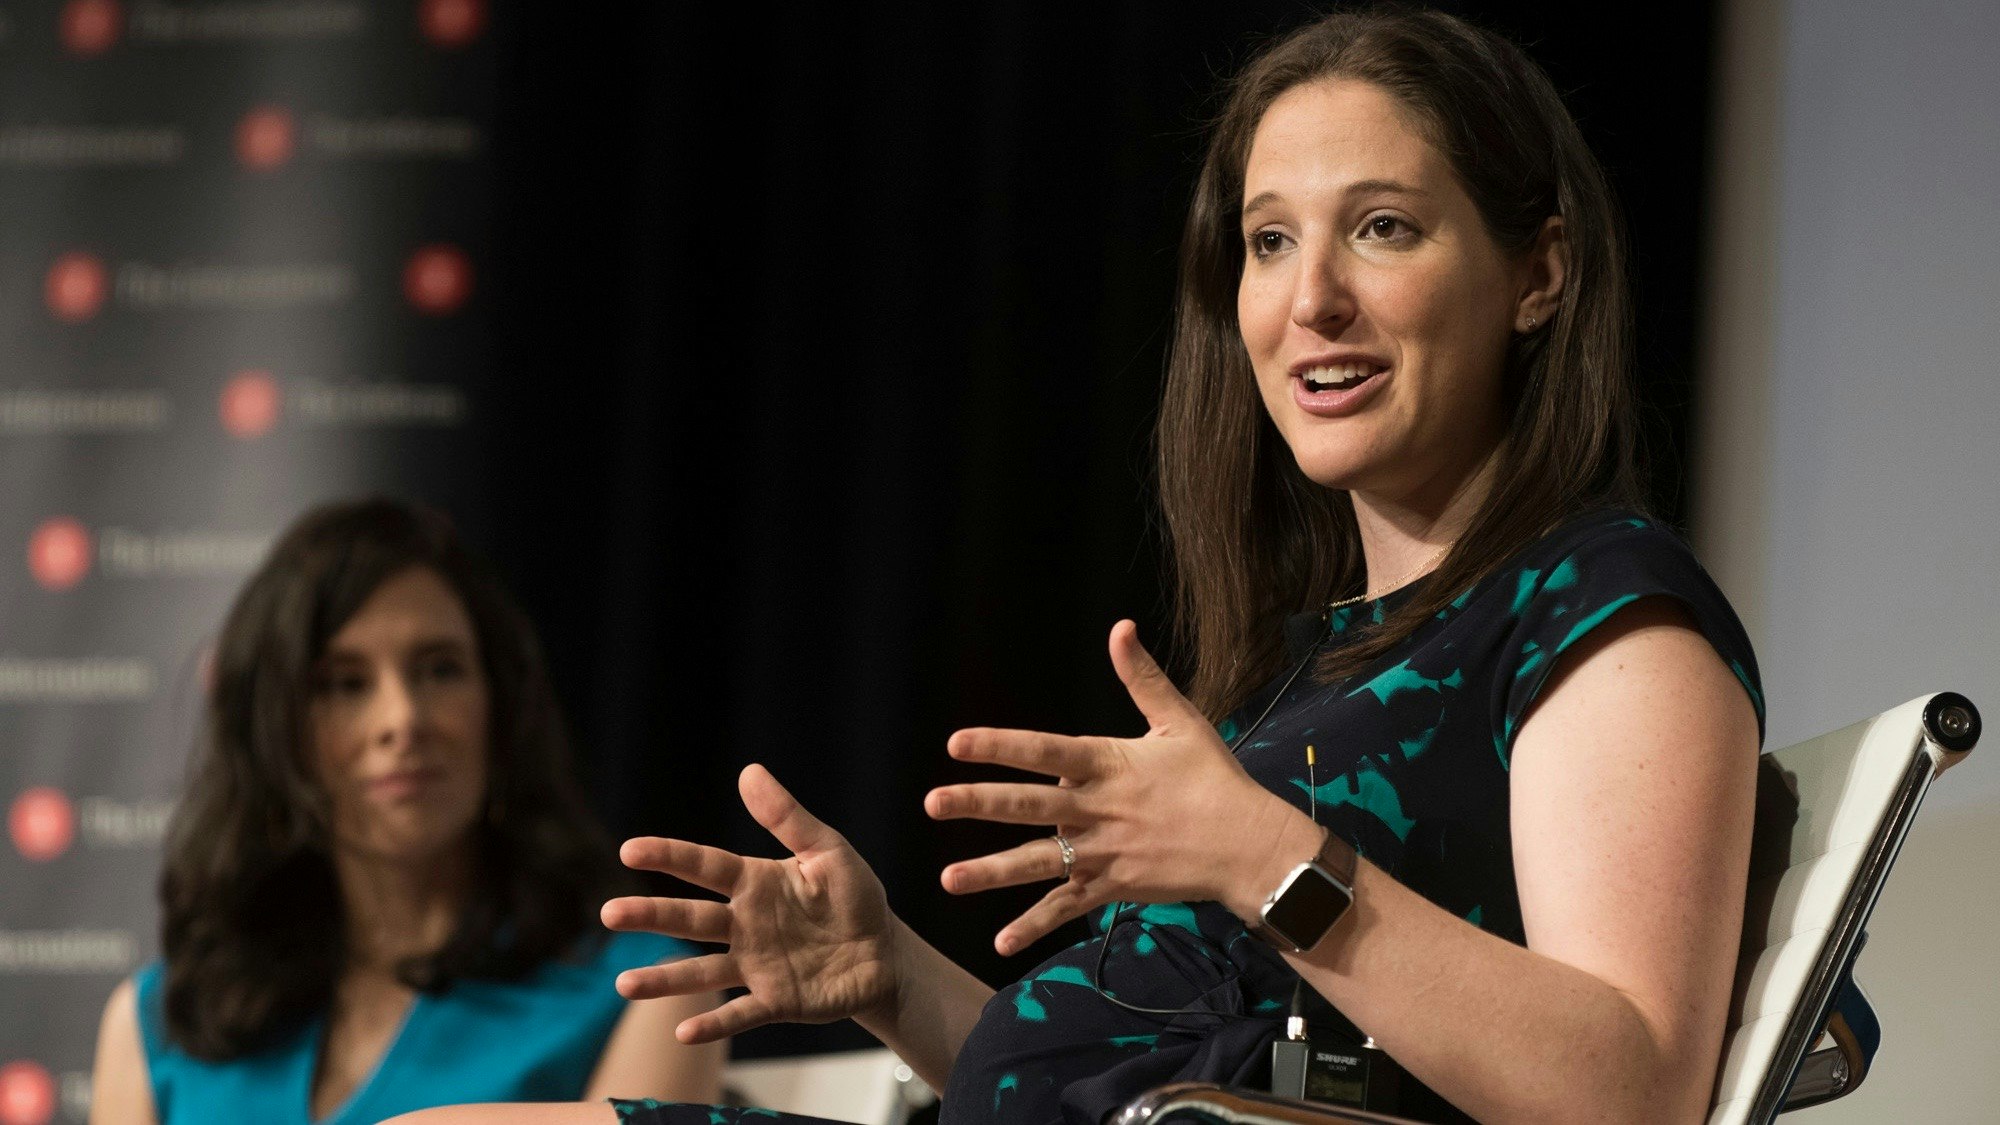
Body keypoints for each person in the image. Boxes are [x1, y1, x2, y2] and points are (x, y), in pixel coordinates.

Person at [398, 8, 1762, 1124]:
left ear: (1538, 274)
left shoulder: (1604, 615)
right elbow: (1142, 1086)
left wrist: (1267, 858)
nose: (1309, 301)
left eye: (1383, 227)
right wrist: (892, 980)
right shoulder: (1321, 656)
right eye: (1269, 240)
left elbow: (1630, 1092)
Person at [87, 498, 725, 1125]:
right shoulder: (155, 1021)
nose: (403, 719)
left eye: (440, 669)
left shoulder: (651, 993)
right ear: (273, 732)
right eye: (345, 683)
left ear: (500, 707)